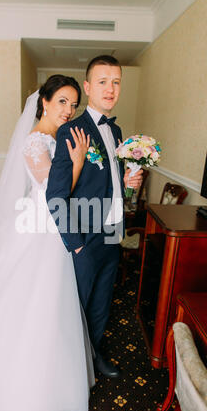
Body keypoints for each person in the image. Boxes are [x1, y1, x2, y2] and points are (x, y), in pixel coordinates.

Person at [0, 75, 95, 411]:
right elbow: (54, 191)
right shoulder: (35, 141)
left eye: (73, 103)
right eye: (62, 101)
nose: (69, 110)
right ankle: (20, 387)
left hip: (50, 228)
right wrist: (77, 160)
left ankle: (54, 376)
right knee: (35, 302)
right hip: (40, 229)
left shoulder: (56, 138)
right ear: (44, 102)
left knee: (52, 305)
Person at [46, 56, 143, 379]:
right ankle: (69, 371)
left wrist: (128, 185)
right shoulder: (71, 131)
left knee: (102, 303)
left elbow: (107, 184)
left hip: (112, 233)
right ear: (87, 87)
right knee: (78, 307)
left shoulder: (116, 130)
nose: (110, 88)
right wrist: (75, 245)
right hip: (84, 238)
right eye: (102, 81)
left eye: (116, 81)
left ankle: (94, 356)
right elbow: (55, 195)